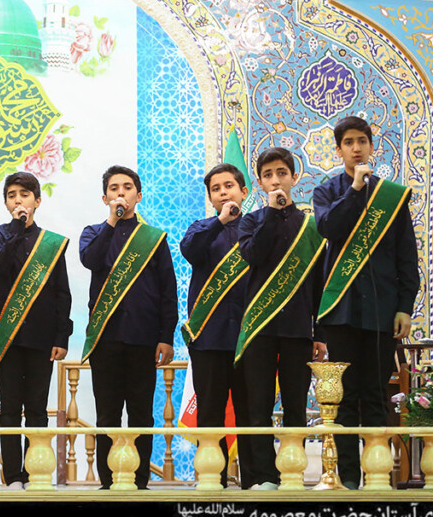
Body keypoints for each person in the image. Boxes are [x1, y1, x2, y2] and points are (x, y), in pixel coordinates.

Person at [313, 116, 418, 489]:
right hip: (340, 312)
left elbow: (406, 256)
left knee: (375, 394)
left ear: (372, 146)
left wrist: (405, 306)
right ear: (339, 149)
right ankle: (346, 478)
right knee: (343, 398)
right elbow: (328, 228)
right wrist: (355, 190)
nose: (356, 148)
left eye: (362, 141)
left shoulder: (391, 197)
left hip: (380, 311)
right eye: (348, 142)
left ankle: (376, 476)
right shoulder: (326, 192)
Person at [79, 165, 177, 490]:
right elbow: (91, 260)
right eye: (114, 188)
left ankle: (140, 481)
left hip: (143, 339)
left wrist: (166, 337)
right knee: (107, 415)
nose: (120, 193)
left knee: (141, 415)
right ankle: (108, 482)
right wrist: (111, 221)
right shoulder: (93, 233)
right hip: (105, 339)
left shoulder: (153, 238)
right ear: (105, 197)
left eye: (127, 187)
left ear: (138, 195)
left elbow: (167, 290)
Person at [237, 147, 326, 490]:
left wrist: (319, 332)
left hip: (298, 329)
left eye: (282, 173)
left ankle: (292, 473)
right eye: (268, 175)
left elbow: (318, 284)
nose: (276, 180)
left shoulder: (311, 227)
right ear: (260, 183)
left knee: (295, 405)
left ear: (294, 178)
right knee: (258, 404)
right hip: (259, 327)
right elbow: (253, 255)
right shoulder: (251, 221)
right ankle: (264, 476)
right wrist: (272, 215)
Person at [0, 172, 72, 489]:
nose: (18, 200)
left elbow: (62, 292)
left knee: (36, 409)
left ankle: (35, 473)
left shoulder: (51, 243)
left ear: (37, 200)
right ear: (7, 203)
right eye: (12, 195)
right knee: (9, 408)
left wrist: (62, 336)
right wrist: (16, 228)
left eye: (24, 194)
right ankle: (12, 477)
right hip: (6, 336)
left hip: (41, 337)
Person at [179, 162, 253, 489]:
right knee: (210, 412)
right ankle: (213, 479)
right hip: (208, 337)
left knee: (250, 413)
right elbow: (190, 251)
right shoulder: (201, 229)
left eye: (229, 186)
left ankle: (254, 480)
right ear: (210, 197)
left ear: (243, 191)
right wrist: (220, 221)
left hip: (249, 338)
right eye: (216, 189)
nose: (223, 193)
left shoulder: (257, 228)